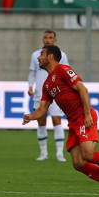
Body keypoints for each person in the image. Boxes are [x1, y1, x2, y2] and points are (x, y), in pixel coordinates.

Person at [23, 45, 99, 197]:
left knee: (88, 155)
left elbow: (83, 89)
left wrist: (87, 114)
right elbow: (42, 109)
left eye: (41, 54)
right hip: (73, 122)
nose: (38, 57)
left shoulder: (63, 69)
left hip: (83, 116)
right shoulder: (47, 84)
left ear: (50, 57)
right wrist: (31, 116)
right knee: (78, 163)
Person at [28, 30, 69, 162]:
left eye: (50, 38)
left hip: (56, 93)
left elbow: (66, 73)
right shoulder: (36, 55)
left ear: (55, 40)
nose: (48, 40)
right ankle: (43, 153)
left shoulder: (62, 55)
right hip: (40, 94)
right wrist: (30, 86)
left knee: (57, 121)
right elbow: (32, 73)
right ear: (42, 39)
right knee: (41, 122)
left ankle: (59, 154)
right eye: (45, 37)